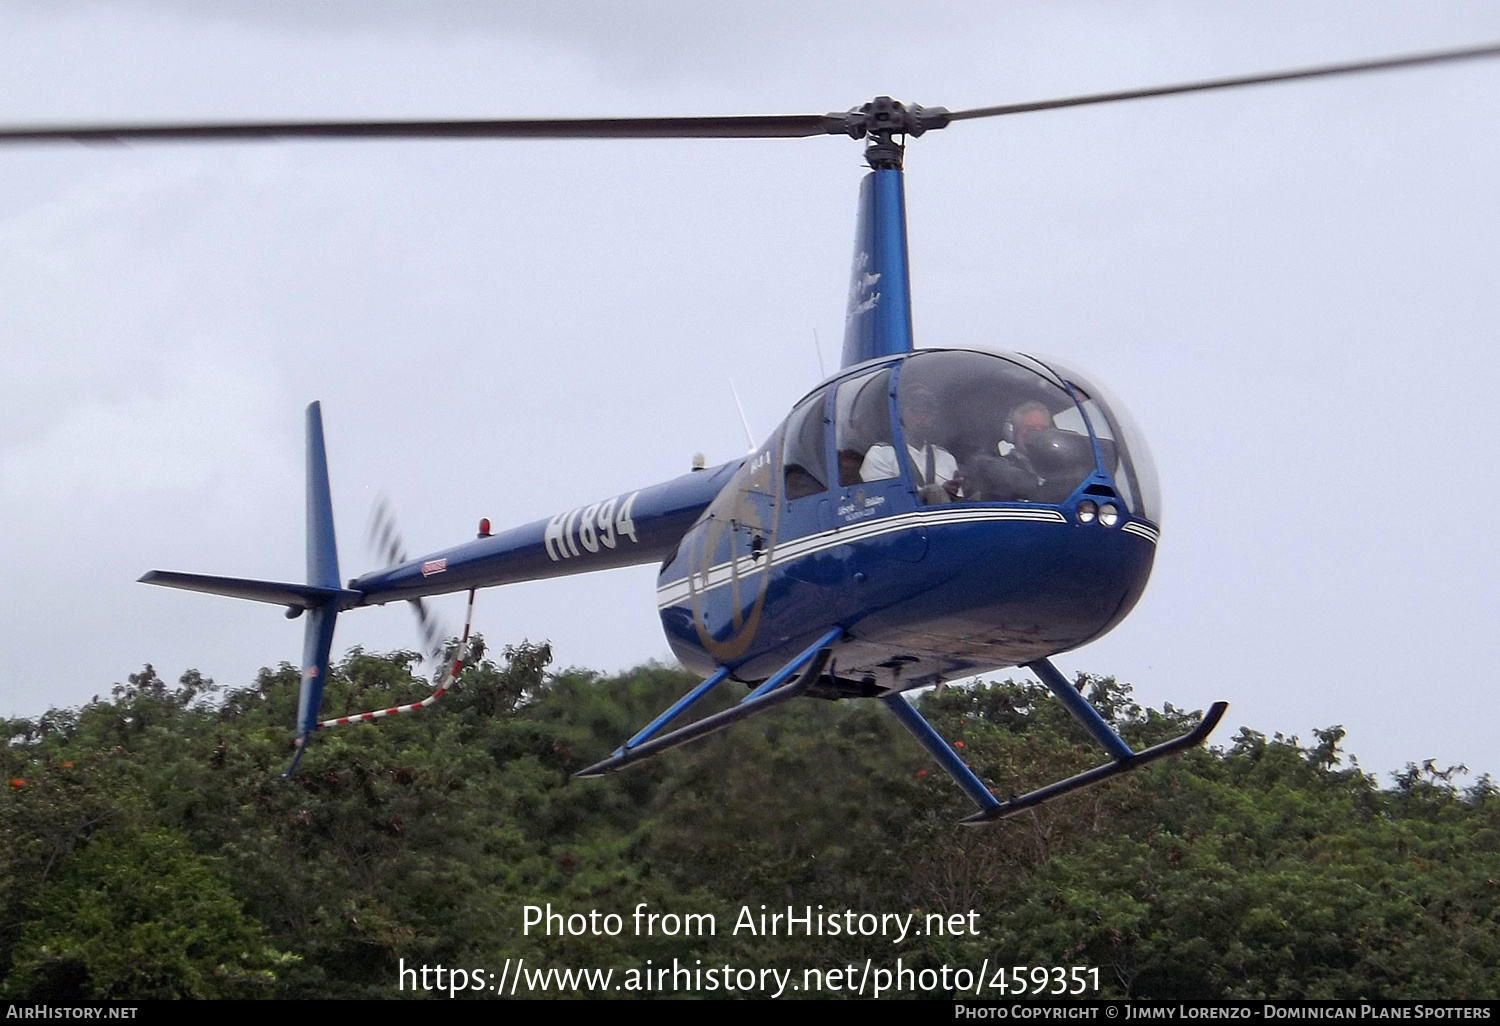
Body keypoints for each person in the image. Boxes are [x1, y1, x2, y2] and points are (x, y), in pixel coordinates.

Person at [859, 383, 962, 503]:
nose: (922, 417)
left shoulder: (946, 458)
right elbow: (880, 501)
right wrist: (927, 494)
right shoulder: (881, 454)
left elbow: (958, 502)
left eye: (927, 411)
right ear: (901, 414)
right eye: (916, 410)